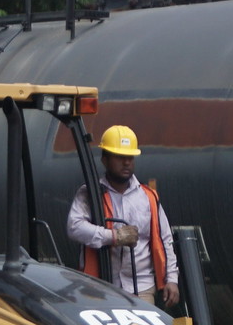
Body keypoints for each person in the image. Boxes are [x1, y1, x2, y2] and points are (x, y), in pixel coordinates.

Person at [67, 125, 179, 305]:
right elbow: (74, 227)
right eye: (120, 157)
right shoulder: (90, 194)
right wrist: (113, 236)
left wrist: (171, 279)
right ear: (105, 159)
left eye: (129, 157)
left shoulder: (148, 197)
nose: (126, 163)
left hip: (141, 288)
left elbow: (165, 240)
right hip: (99, 287)